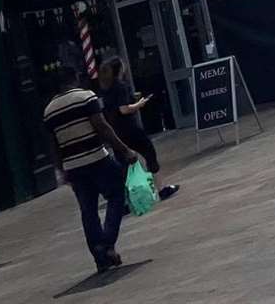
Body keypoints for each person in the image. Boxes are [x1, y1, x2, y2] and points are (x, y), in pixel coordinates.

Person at [42, 65, 142, 273]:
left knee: (88, 210)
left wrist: (61, 170)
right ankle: (106, 244)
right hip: (96, 158)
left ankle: (100, 258)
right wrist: (124, 150)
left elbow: (52, 145)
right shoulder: (86, 97)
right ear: (75, 78)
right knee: (117, 193)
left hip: (73, 166)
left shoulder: (49, 110)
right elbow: (102, 126)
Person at [96, 58, 179, 202]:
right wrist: (139, 104)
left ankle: (125, 201)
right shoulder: (121, 86)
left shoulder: (106, 89)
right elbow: (124, 109)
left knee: (123, 165)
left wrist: (130, 99)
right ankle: (162, 189)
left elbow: (113, 107)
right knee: (149, 153)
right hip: (130, 128)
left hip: (116, 132)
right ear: (120, 69)